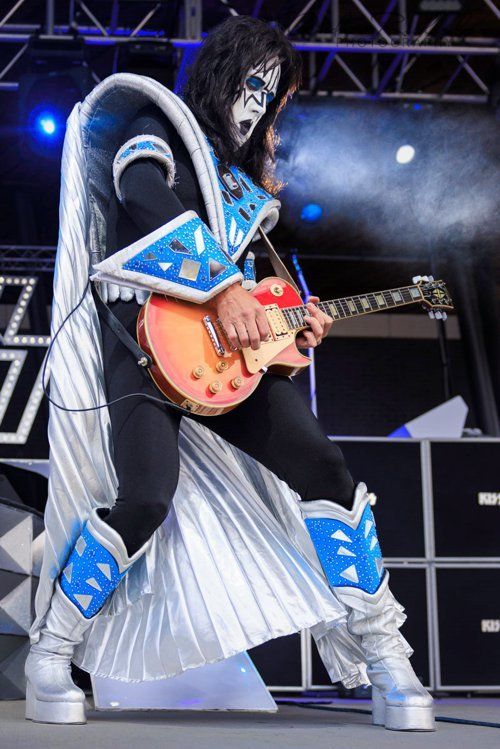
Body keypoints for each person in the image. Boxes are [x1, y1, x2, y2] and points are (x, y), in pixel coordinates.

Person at [25, 15, 434, 731]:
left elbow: (254, 299)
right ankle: (51, 649)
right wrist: (222, 283)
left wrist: (293, 326)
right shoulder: (158, 122)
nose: (259, 101)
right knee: (146, 495)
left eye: (272, 93)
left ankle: (385, 654)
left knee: (325, 466)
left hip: (225, 367)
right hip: (143, 344)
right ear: (222, 73)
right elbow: (141, 193)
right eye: (253, 81)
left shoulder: (246, 187)